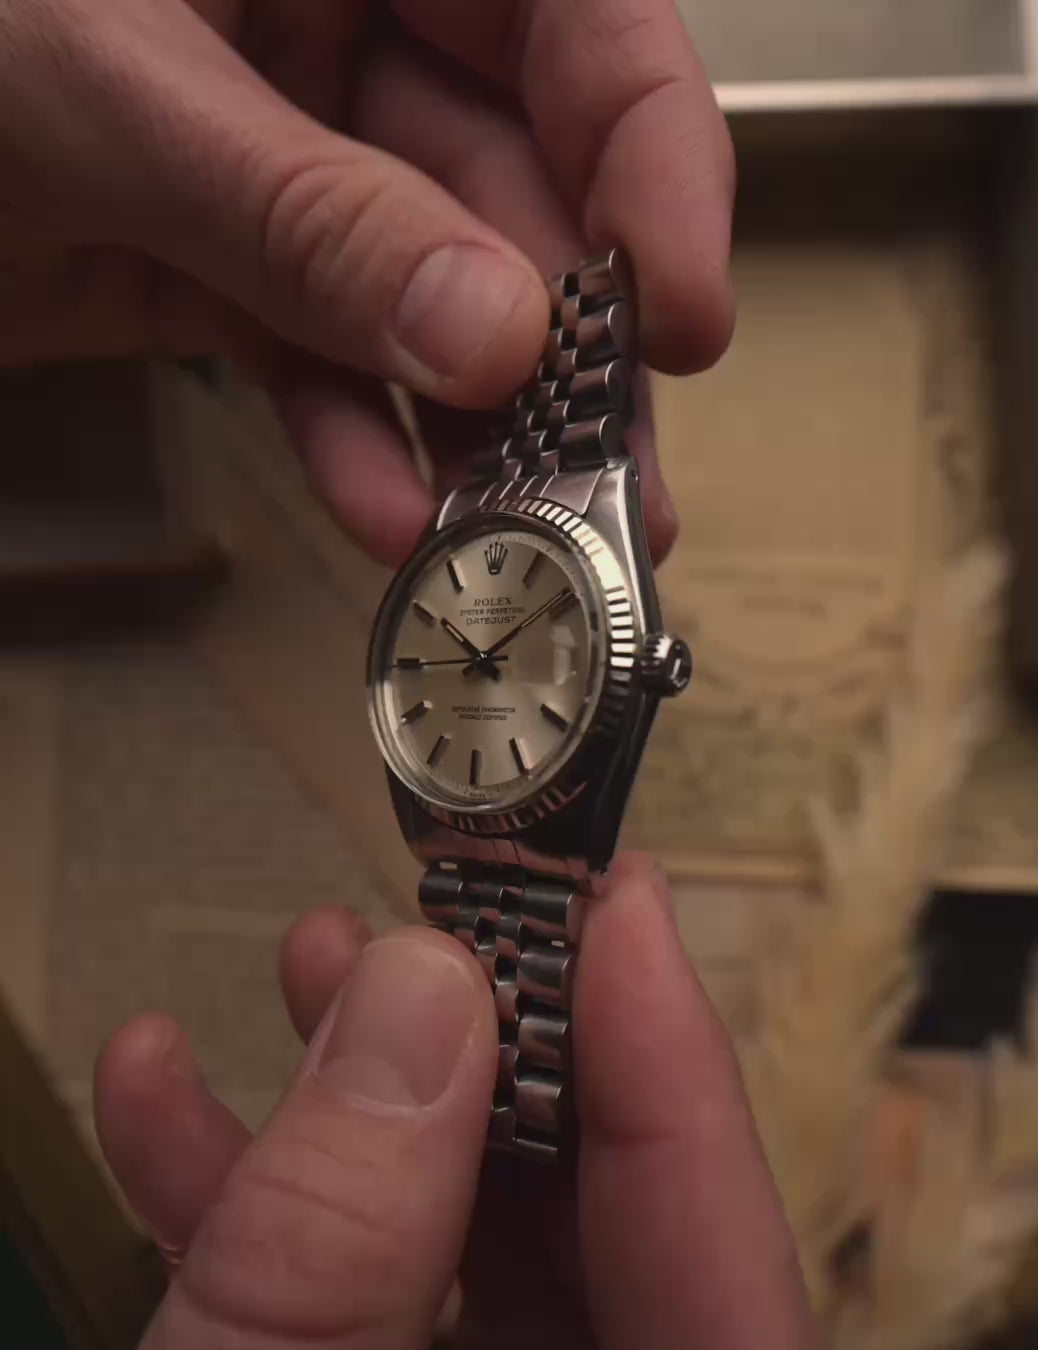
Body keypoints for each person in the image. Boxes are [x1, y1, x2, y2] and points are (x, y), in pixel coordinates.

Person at [4, 2, 815, 1344]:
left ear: (641, 669)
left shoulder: (557, 552)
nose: (479, 648)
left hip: (492, 810)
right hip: (476, 781)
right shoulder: (518, 537)